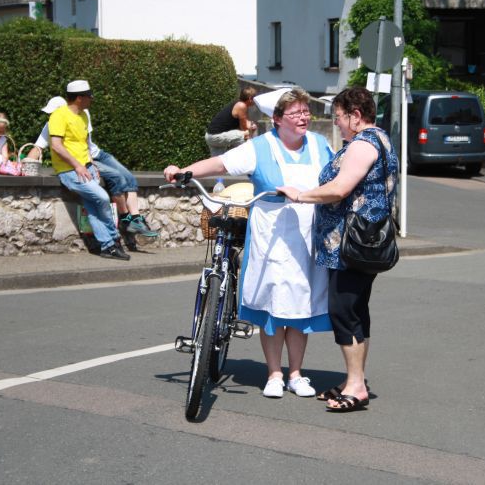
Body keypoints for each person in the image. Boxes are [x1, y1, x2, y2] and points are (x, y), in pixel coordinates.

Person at [165, 87, 333, 398]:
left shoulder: (320, 144)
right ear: (277, 119)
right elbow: (220, 164)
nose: (304, 117)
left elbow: (339, 176)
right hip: (271, 234)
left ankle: (296, 374)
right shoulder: (260, 146)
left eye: (305, 111)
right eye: (296, 112)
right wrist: (184, 171)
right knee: (272, 303)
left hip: (308, 232)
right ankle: (274, 374)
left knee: (300, 304)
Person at [278, 86, 398, 412]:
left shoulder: (362, 145)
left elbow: (340, 189)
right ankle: (353, 379)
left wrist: (301, 195)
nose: (337, 124)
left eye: (340, 117)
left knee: (344, 311)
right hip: (366, 243)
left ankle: (356, 387)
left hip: (350, 245)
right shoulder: (380, 139)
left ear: (356, 116)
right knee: (356, 311)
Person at [30, 96, 157, 239]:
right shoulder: (52, 125)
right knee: (117, 178)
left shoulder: (81, 115)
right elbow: (37, 148)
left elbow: (85, 143)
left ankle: (136, 219)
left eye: (53, 112)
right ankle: (126, 220)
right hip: (85, 161)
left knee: (129, 178)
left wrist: (90, 162)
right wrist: (24, 164)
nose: (51, 116)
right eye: (50, 114)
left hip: (96, 155)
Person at [49, 80, 130, 261]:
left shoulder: (84, 115)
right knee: (102, 197)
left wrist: (92, 164)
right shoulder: (58, 115)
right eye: (89, 97)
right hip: (69, 170)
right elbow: (56, 146)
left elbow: (84, 143)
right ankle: (114, 239)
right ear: (79, 98)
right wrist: (78, 166)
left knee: (93, 207)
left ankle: (108, 247)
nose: (91, 100)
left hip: (86, 168)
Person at [205, 86, 258, 157]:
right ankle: (243, 158)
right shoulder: (241, 106)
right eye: (255, 98)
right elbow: (244, 128)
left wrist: (251, 124)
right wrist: (251, 128)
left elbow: (245, 122)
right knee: (245, 135)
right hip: (216, 136)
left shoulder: (238, 103)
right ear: (250, 99)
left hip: (210, 136)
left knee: (219, 160)